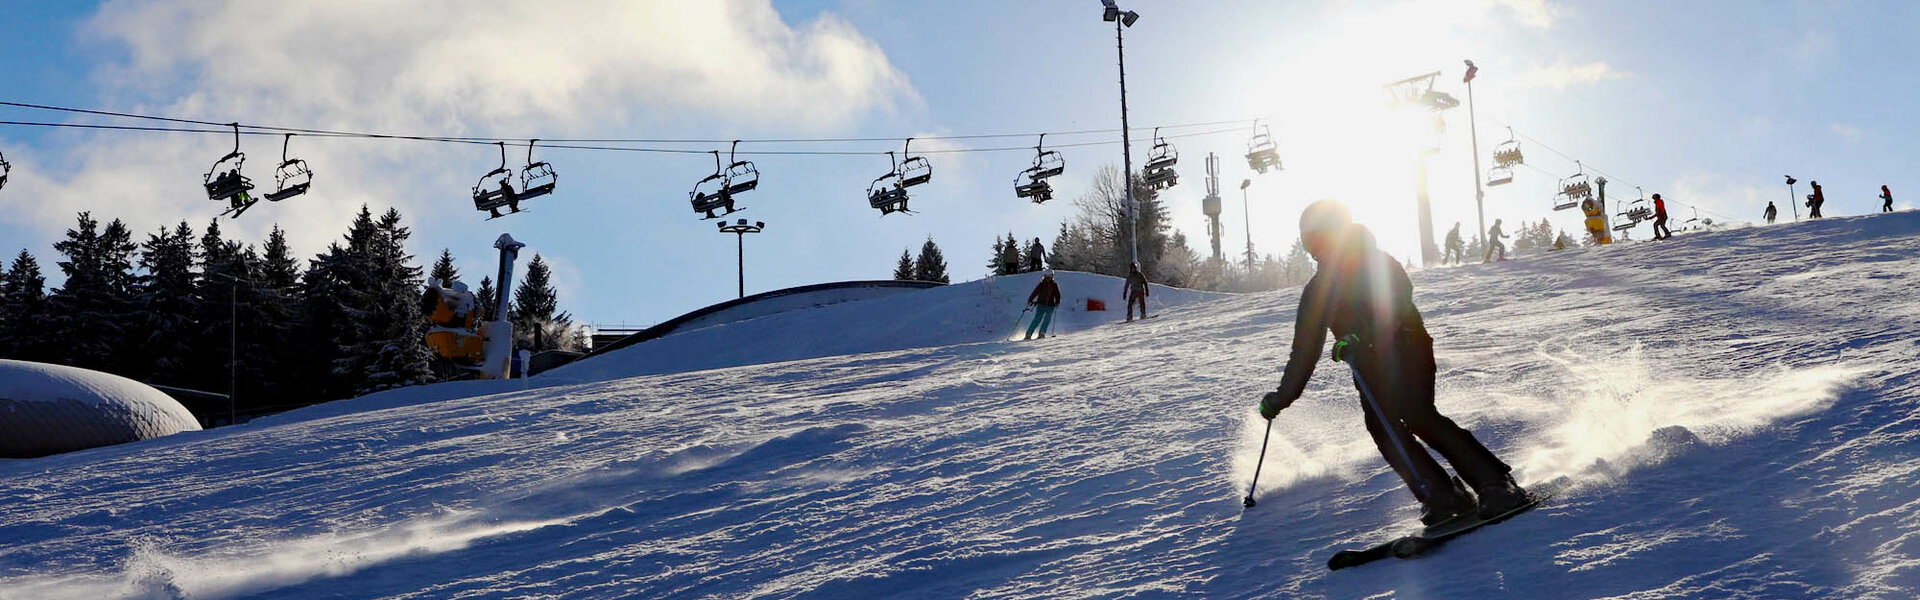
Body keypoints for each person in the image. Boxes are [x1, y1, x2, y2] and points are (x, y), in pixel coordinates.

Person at [1258, 200, 1526, 526]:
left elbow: (1397, 298)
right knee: (1381, 427)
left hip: (1407, 347)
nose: (1316, 251)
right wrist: (1282, 396)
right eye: (1310, 244)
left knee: (1416, 413)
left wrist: (1361, 335)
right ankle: (1441, 494)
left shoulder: (1374, 261)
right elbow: (1304, 350)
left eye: (1321, 240)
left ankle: (1494, 482)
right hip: (1370, 370)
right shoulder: (1316, 292)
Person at [1025, 270, 1062, 340]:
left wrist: (1057, 301)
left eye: (1050, 277)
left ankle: (1042, 333)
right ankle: (1029, 334)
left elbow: (1057, 294)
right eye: (1047, 277)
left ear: (1052, 277)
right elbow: (1035, 292)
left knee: (1047, 319)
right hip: (1041, 304)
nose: (1048, 279)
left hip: (1050, 305)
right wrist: (1030, 299)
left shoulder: (1054, 285)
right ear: (1044, 277)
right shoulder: (1041, 284)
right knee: (1037, 319)